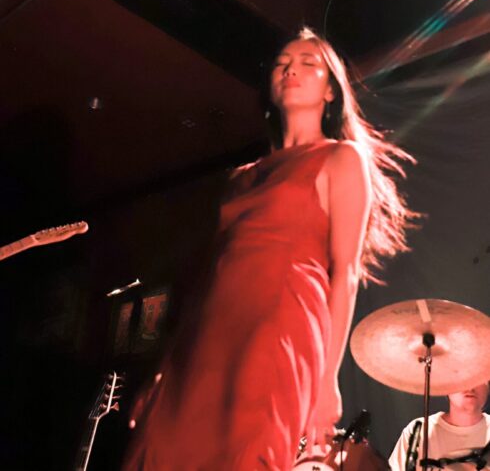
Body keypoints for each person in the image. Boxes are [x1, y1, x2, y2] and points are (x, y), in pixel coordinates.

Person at [122, 27, 415, 470]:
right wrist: (164, 366)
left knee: (245, 452)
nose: (291, 69)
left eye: (308, 63)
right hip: (203, 336)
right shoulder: (240, 177)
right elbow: (207, 278)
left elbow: (346, 274)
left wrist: (326, 381)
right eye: (282, 63)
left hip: (279, 327)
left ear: (331, 92)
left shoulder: (341, 158)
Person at [389, 382, 490, 471]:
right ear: (446, 386)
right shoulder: (418, 432)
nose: (470, 387)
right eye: (463, 378)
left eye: (478, 379)